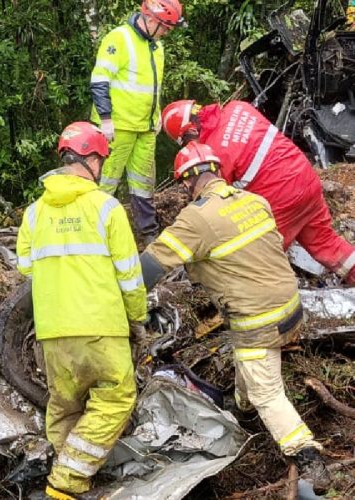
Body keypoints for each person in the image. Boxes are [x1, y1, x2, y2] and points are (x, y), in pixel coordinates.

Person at [139, 142, 330, 493]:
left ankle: (308, 456)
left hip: (258, 322)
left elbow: (149, 269)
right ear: (218, 171)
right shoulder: (254, 201)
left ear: (186, 183)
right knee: (252, 370)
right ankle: (241, 408)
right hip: (292, 308)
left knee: (268, 394)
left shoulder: (196, 219)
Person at [16, 122, 146, 499]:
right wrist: (137, 316)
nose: (103, 169)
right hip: (100, 326)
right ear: (91, 158)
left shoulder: (35, 213)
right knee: (117, 398)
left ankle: (73, 469)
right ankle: (66, 485)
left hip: (53, 331)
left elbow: (25, 266)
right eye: (102, 161)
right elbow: (129, 274)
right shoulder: (106, 208)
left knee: (65, 406)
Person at [161, 99, 355, 284]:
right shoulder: (238, 108)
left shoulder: (215, 151)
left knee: (258, 259)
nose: (190, 145)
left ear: (192, 130)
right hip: (306, 179)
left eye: (186, 140)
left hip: (281, 197)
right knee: (325, 242)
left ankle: (274, 306)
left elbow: (217, 199)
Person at [90, 0, 184, 244]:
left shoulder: (156, 47)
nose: (166, 33)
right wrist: (106, 119)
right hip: (117, 127)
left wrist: (157, 115)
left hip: (144, 128)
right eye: (165, 27)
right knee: (105, 182)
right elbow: (100, 81)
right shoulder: (119, 38)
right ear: (151, 19)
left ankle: (148, 234)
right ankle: (94, 235)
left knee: (144, 183)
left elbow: (152, 88)